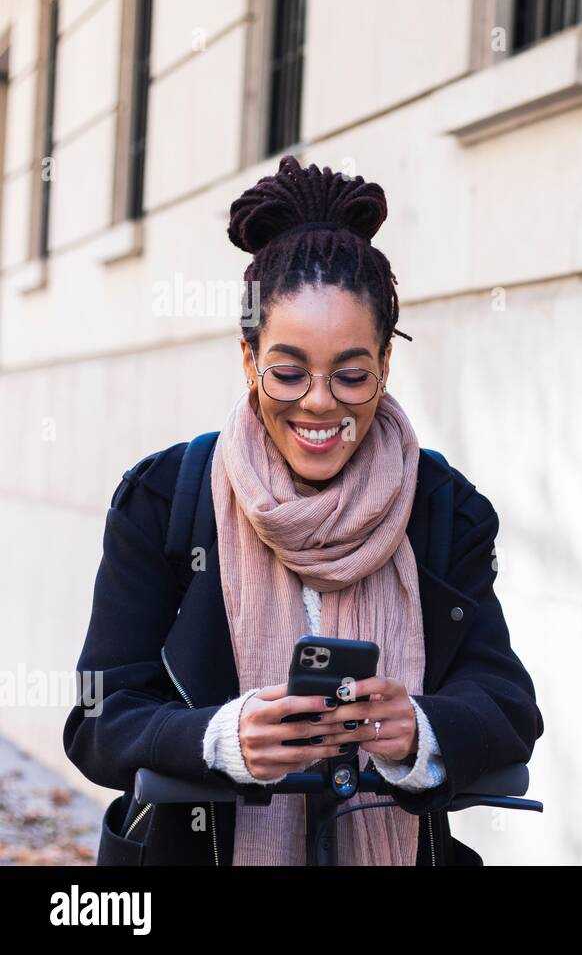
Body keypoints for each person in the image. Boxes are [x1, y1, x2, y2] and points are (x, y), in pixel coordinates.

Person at [64, 154, 543, 865]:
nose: (319, 402)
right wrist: (221, 738)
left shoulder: (444, 509)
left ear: (386, 363)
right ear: (247, 356)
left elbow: (506, 707)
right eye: (287, 372)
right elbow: (99, 720)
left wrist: (418, 729)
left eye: (352, 375)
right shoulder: (165, 499)